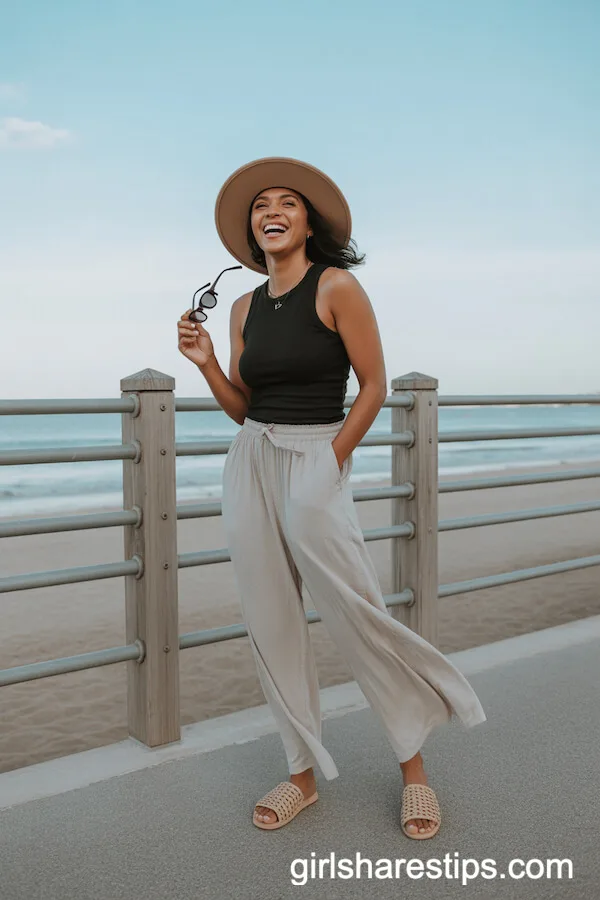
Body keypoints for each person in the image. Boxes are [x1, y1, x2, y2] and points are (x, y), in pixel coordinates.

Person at [177, 156, 486, 839]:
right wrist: (205, 366)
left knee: (356, 611)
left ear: (307, 221)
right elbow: (242, 406)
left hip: (316, 456)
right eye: (261, 206)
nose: (272, 212)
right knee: (271, 621)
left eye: (286, 202)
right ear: (251, 228)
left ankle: (415, 772)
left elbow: (373, 386)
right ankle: (301, 777)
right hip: (250, 458)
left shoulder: (337, 286)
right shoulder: (242, 307)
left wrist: (332, 461)